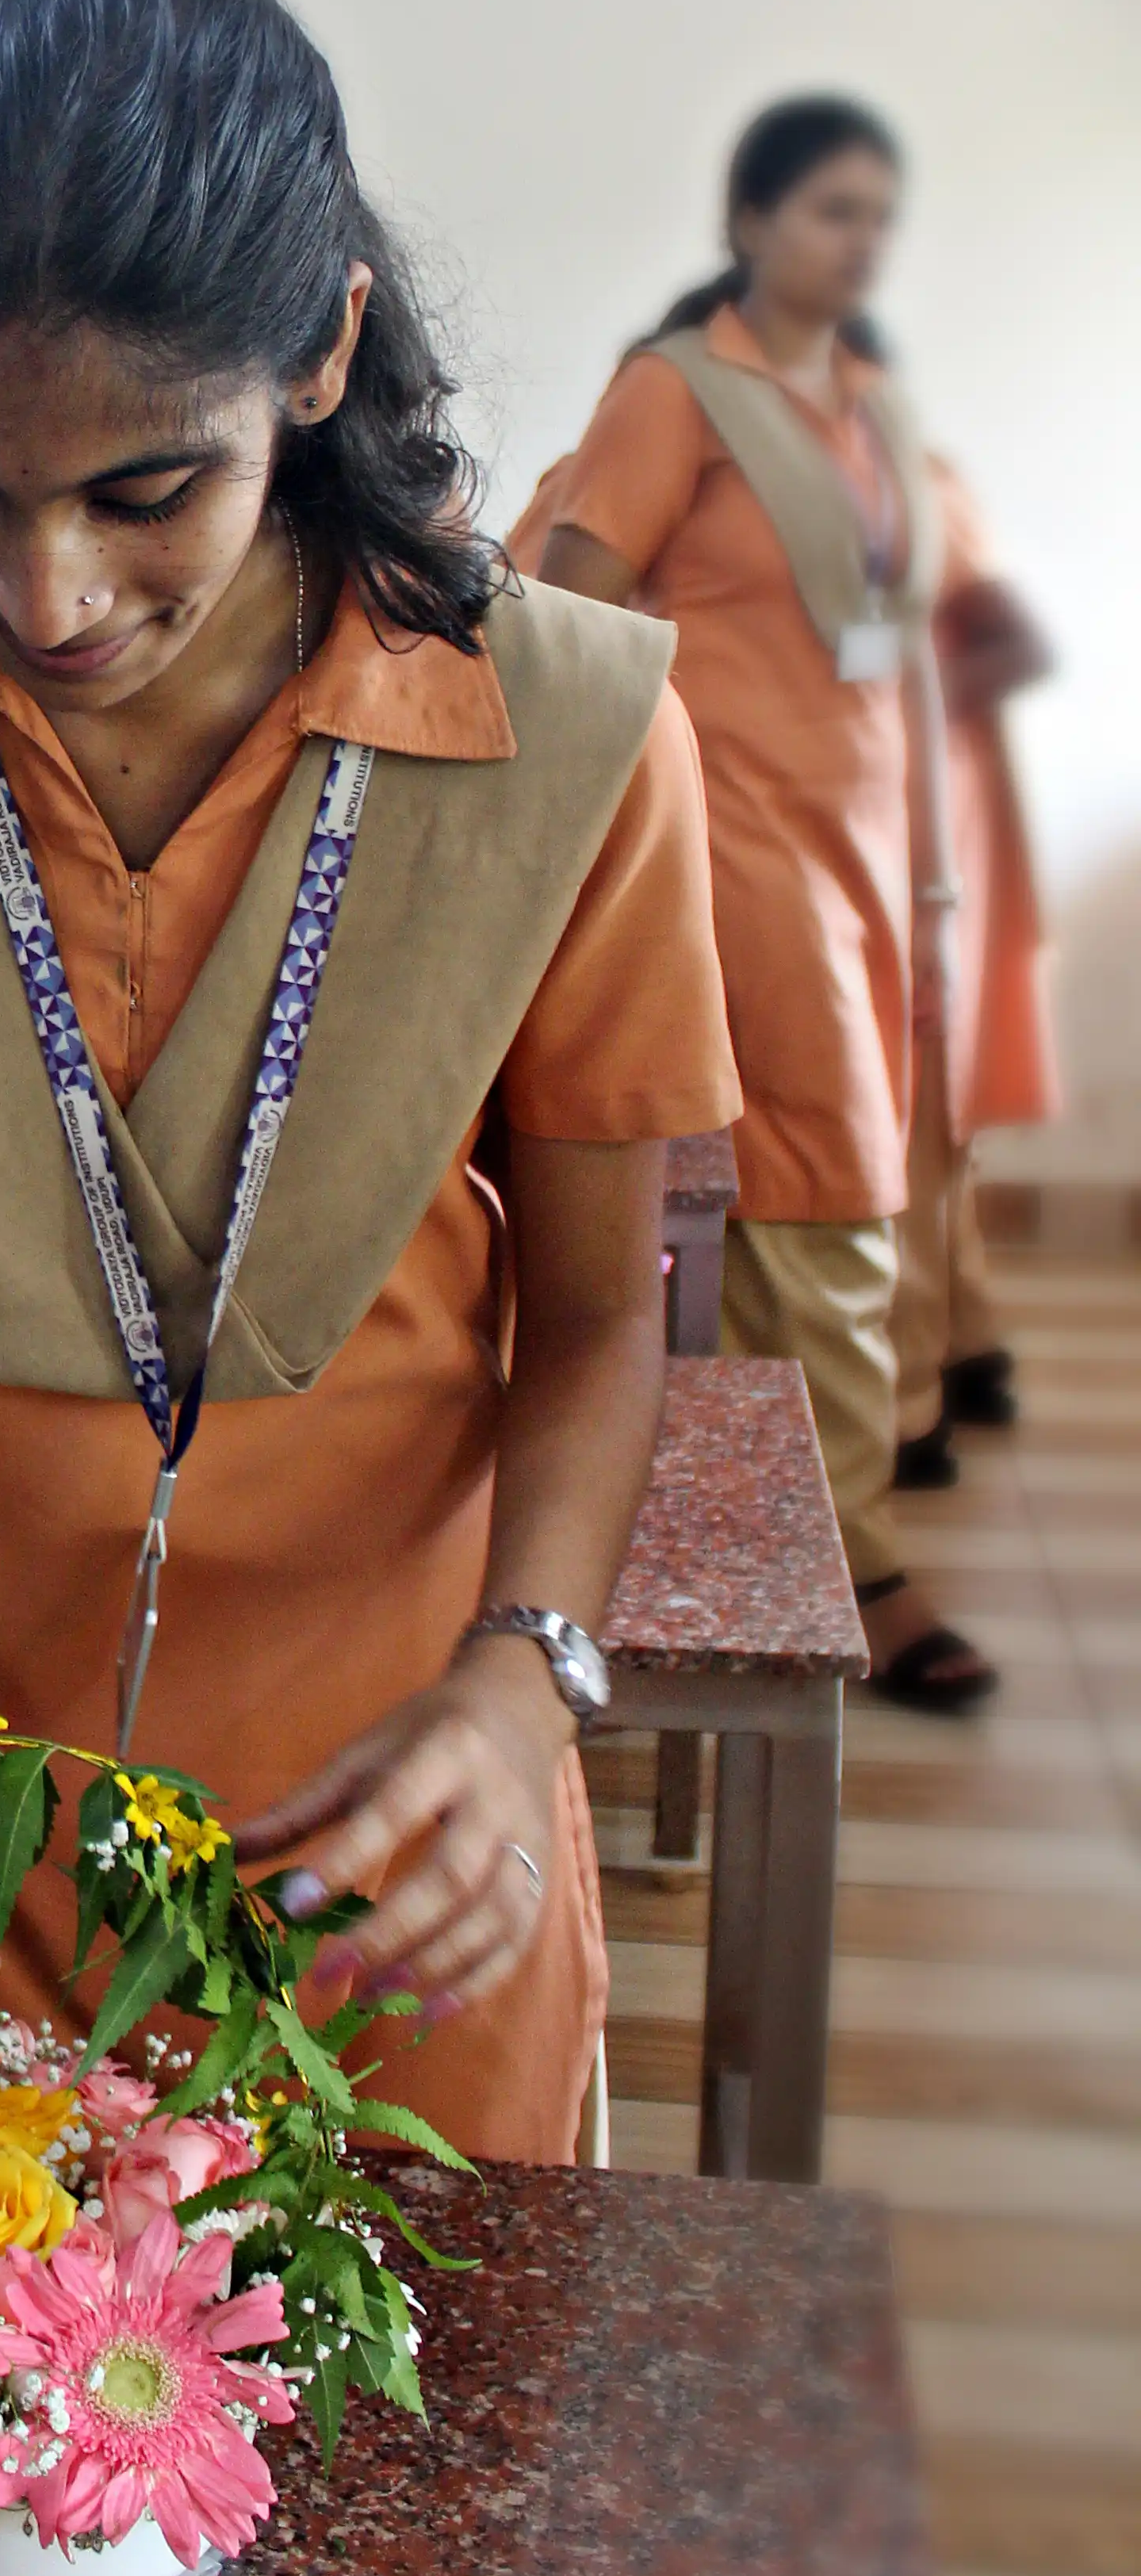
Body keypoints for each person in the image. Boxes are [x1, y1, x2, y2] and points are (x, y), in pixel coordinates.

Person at [0, 0, 737, 2164]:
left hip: (380, 1827)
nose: (45, 596)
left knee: (393, 2457)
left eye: (148, 492)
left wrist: (522, 1690)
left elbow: (606, 1315)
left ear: (318, 351)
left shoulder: (569, 730)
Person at [538, 97, 994, 1712]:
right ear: (750, 222)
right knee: (822, 1190)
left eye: (879, 213)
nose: (858, 242)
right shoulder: (681, 395)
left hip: (861, 849)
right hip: (737, 845)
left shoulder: (870, 403)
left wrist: (937, 871)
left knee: (843, 1190)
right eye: (828, 211)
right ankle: (840, 1549)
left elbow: (909, 655)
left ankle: (765, 1528)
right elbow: (570, 603)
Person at [890, 452, 1059, 1485]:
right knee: (929, 1124)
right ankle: (972, 1348)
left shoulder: (887, 474)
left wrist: (865, 700)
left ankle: (910, 1407)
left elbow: (1018, 645)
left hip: (913, 835)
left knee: (903, 1122)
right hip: (921, 829)